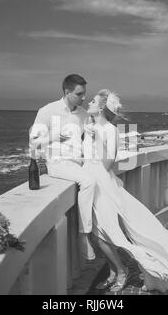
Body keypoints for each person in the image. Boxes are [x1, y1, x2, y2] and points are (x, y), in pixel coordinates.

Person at [82, 89, 168, 293]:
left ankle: (121, 271)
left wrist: (96, 139)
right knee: (98, 234)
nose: (88, 102)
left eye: (92, 100)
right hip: (91, 183)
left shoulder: (109, 130)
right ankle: (113, 271)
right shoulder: (89, 126)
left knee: (104, 236)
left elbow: (107, 164)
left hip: (104, 186)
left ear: (100, 107)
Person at [29, 74, 96, 260]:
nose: (84, 98)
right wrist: (54, 137)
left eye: (84, 94)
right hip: (57, 163)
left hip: (79, 163)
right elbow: (33, 142)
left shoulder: (83, 114)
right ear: (67, 92)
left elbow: (89, 140)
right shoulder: (47, 111)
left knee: (100, 180)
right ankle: (84, 235)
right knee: (89, 182)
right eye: (79, 94)